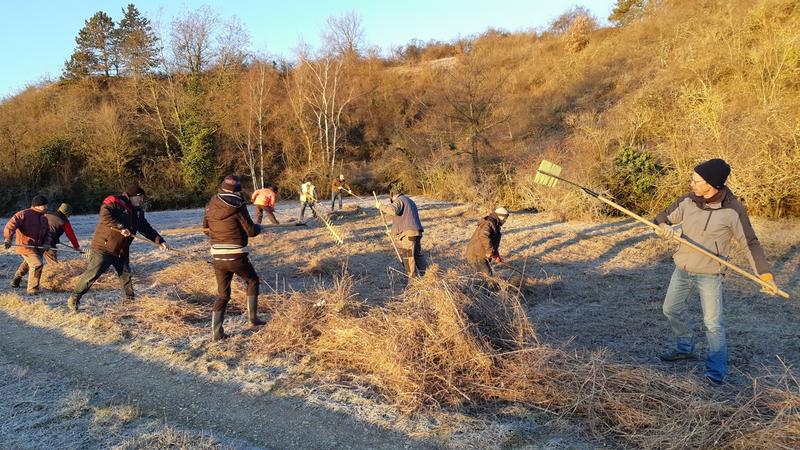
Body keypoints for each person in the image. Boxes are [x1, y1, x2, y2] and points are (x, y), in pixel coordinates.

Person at [654, 158, 777, 384]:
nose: (691, 183)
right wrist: (663, 227)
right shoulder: (688, 200)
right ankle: (685, 347)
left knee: (713, 323)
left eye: (696, 180)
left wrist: (765, 275)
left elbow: (750, 243)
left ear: (712, 184)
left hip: (709, 274)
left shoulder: (732, 210)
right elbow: (662, 216)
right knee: (670, 309)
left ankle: (715, 372)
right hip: (682, 268)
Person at [67, 185, 168, 312]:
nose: (142, 201)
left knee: (126, 276)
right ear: (134, 196)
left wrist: (160, 241)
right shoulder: (114, 201)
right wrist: (121, 227)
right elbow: (105, 214)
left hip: (122, 249)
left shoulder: (138, 212)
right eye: (141, 198)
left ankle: (129, 303)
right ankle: (75, 297)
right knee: (93, 274)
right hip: (104, 247)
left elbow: (146, 228)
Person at [203, 175, 265, 342]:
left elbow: (205, 229)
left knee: (223, 295)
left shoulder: (211, 204)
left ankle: (217, 333)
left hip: (217, 256)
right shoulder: (238, 206)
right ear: (237, 191)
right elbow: (251, 232)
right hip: (236, 255)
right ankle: (253, 319)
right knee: (252, 281)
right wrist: (259, 227)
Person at [3, 195, 52, 295]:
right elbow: (10, 225)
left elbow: (48, 233)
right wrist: (8, 238)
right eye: (44, 205)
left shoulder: (44, 218)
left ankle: (17, 278)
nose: (47, 207)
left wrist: (47, 243)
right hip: (25, 246)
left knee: (27, 264)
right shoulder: (23, 214)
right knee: (37, 264)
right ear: (37, 205)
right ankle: (32, 289)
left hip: (37, 248)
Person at [375, 186, 426, 279]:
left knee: (408, 255)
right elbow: (405, 220)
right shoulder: (409, 201)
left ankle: (413, 281)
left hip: (408, 234)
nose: (392, 202)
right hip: (416, 232)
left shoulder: (399, 200)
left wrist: (380, 206)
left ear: (393, 196)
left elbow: (393, 210)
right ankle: (427, 275)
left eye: (392, 200)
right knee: (417, 254)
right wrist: (392, 232)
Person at [465, 207, 510, 276]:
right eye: (505, 219)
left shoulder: (495, 224)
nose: (505, 221)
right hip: (476, 255)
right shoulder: (488, 223)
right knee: (487, 276)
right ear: (500, 216)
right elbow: (484, 237)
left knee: (481, 276)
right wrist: (489, 251)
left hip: (481, 254)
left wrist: (496, 255)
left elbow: (493, 242)